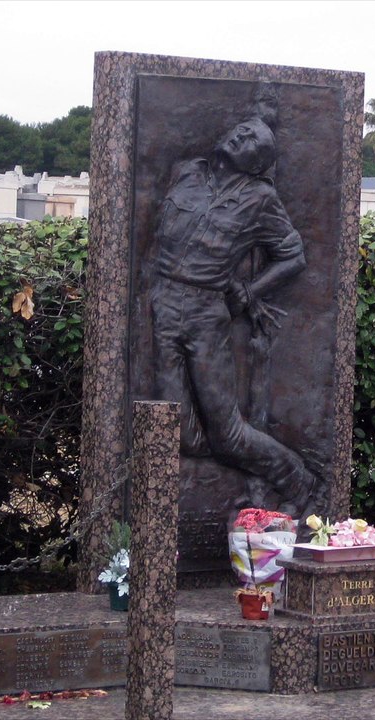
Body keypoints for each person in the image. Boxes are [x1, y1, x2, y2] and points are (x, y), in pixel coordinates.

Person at [149, 96, 316, 518]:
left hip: (207, 311)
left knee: (227, 434)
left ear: (257, 163)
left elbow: (292, 255)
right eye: (241, 130)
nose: (240, 134)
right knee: (176, 431)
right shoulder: (186, 172)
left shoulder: (260, 198)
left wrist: (251, 290)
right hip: (164, 301)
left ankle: (298, 479)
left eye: (251, 139)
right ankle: (216, 491)